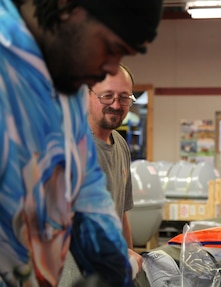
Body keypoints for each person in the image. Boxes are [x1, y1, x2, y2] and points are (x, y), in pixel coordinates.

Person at [0, 0, 163, 286]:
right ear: (70, 10)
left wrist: (111, 266)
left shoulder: (68, 85)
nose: (108, 68)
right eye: (109, 47)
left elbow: (86, 194)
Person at [59, 64, 142, 285]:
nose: (116, 105)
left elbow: (121, 214)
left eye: (124, 97)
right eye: (107, 96)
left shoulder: (121, 145)